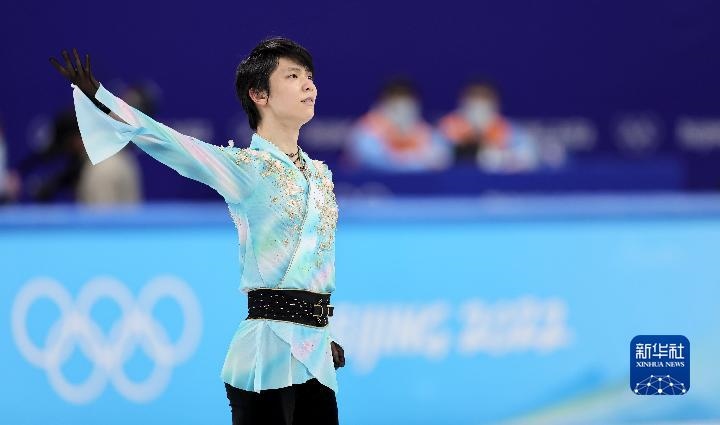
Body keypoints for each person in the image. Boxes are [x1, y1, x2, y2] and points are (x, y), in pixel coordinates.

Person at [49, 38, 345, 425]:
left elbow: (310, 267)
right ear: (259, 95)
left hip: (314, 356)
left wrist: (319, 333)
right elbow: (170, 143)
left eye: (309, 76)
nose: (309, 84)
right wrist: (102, 98)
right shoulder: (247, 168)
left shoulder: (320, 175)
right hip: (266, 358)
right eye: (292, 76)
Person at [344, 78, 451, 171]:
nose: (402, 110)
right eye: (395, 105)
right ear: (381, 105)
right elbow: (372, 160)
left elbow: (441, 157)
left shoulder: (425, 131)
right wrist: (418, 160)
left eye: (407, 103)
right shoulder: (365, 130)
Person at [437, 79, 542, 172]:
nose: (479, 108)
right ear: (462, 103)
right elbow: (435, 158)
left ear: (496, 104)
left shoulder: (511, 132)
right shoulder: (446, 129)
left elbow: (528, 159)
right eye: (474, 99)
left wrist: (496, 156)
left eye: (485, 99)